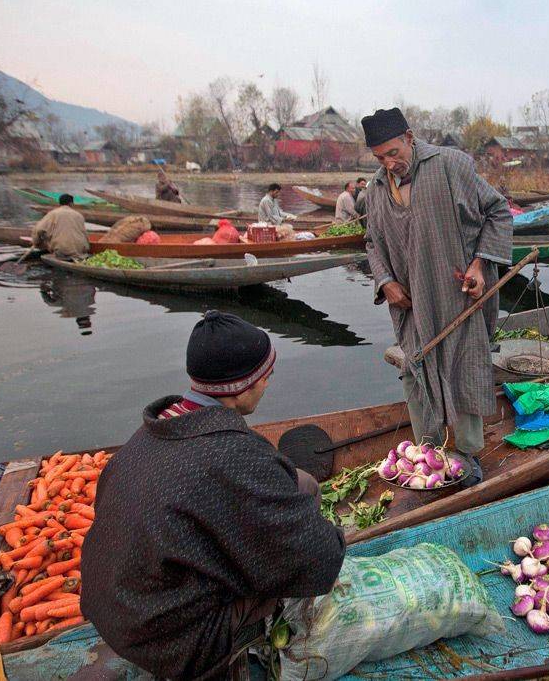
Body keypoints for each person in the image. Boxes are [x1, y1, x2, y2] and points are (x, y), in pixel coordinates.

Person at [81, 310, 345, 680]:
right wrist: (330, 539)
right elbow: (320, 560)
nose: (268, 382)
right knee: (298, 529)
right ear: (243, 386)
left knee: (300, 485)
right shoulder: (235, 456)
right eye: (265, 376)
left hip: (111, 610)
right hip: (169, 641)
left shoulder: (150, 432)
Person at [359, 107, 511, 487]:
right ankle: (428, 455)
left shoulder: (450, 165)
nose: (389, 163)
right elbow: (371, 242)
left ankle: (469, 456)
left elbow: (498, 212)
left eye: (394, 152)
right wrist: (385, 282)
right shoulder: (375, 189)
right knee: (415, 369)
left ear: (409, 137)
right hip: (410, 304)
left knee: (463, 367)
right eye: (380, 157)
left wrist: (478, 265)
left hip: (455, 296)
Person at [31, 193, 89, 259]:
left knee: (49, 240)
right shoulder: (79, 215)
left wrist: (36, 242)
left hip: (62, 250)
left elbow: (39, 229)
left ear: (59, 204)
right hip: (80, 250)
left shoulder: (53, 213)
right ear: (71, 204)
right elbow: (85, 234)